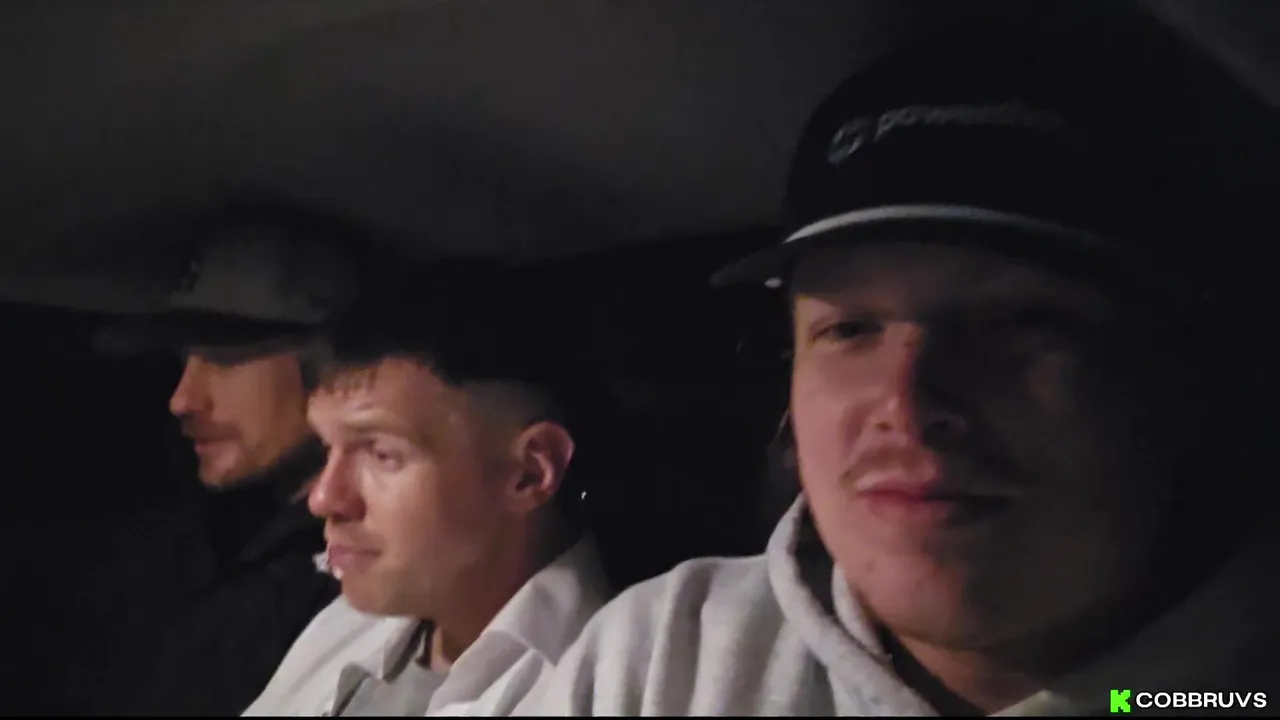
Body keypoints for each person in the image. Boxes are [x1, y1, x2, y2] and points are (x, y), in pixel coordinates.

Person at [529, 24, 1279, 716]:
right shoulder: (663, 656)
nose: (907, 403)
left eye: (1021, 322)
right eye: (850, 329)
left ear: (1181, 385)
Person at [243, 259, 611, 716]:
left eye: (382, 454)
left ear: (529, 473)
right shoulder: (345, 624)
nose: (323, 499)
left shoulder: (598, 689)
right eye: (326, 449)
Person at [86, 199, 368, 715]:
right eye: (183, 360)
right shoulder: (191, 542)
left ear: (333, 368)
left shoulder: (371, 581)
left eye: (222, 358)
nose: (182, 399)